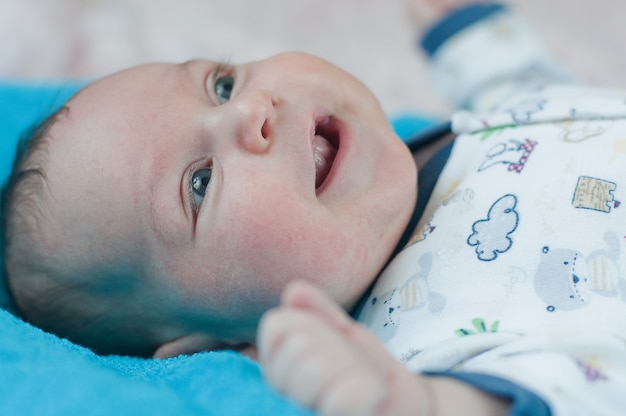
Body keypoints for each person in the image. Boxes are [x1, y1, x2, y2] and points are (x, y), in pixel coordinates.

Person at [2, 1, 625, 414]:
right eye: (199, 182)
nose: (251, 112)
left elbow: (526, 96)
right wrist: (404, 401)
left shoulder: (440, 141)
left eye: (221, 84)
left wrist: (460, 24)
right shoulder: (426, 338)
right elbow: (558, 387)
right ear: (207, 342)